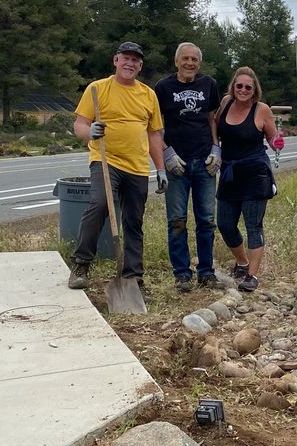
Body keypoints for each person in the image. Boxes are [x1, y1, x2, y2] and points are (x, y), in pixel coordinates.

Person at [68, 41, 168, 292]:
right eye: (126, 58)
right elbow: (79, 124)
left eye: (135, 60)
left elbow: (154, 135)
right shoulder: (97, 89)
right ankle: (81, 263)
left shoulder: (148, 94)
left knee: (134, 219)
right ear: (115, 60)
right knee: (100, 203)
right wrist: (89, 132)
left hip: (137, 166)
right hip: (106, 160)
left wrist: (161, 168)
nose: (130, 63)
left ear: (140, 66)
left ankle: (133, 275)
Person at [154, 42, 223, 292]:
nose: (190, 63)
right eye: (185, 58)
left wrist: (217, 148)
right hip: (177, 165)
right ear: (176, 61)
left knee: (206, 220)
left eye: (194, 59)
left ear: (199, 63)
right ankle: (182, 274)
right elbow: (154, 124)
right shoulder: (163, 87)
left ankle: (206, 272)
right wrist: (165, 152)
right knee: (177, 221)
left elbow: (211, 118)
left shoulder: (209, 85)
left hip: (204, 163)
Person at [215, 66, 284, 292]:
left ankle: (252, 276)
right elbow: (214, 126)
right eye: (239, 86)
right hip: (229, 173)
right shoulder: (225, 103)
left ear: (254, 90)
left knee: (253, 225)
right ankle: (242, 262)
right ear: (233, 87)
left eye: (248, 87)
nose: (243, 90)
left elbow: (273, 137)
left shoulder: (261, 109)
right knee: (225, 224)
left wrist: (277, 142)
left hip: (255, 174)